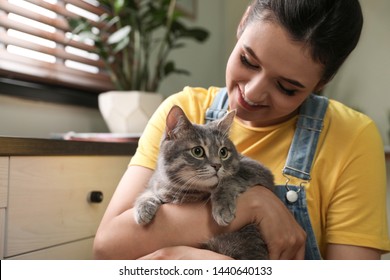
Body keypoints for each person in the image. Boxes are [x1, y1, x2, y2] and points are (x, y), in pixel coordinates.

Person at [93, 0, 390, 260]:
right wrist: (253, 204)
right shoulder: (184, 108)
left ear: (323, 81)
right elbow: (107, 249)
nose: (252, 93)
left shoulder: (352, 135)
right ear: (243, 22)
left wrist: (182, 257)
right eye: (248, 60)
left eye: (286, 87)